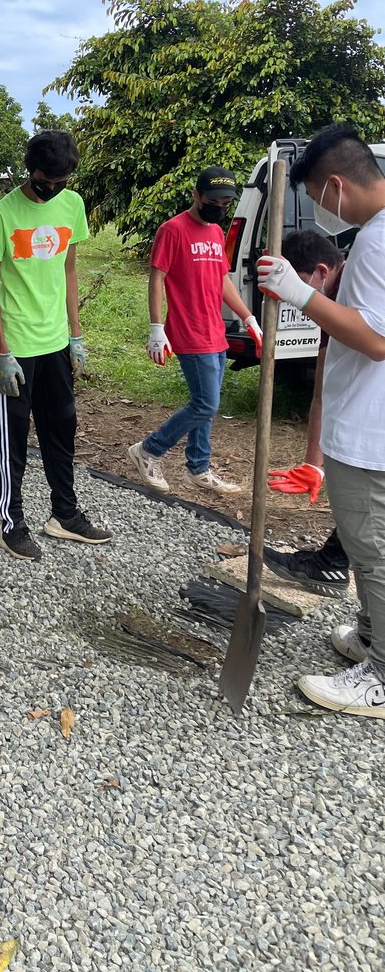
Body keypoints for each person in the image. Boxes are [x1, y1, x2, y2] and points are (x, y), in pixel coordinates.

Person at [258, 124, 385, 718]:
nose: (322, 210)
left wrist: (301, 295)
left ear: (334, 185)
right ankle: (369, 635)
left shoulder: (379, 241)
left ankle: (381, 672)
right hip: (364, 421)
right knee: (365, 548)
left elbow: (376, 339)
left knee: (372, 549)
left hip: (370, 428)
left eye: (318, 197)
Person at [0, 129, 108, 561]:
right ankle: (11, 523)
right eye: (44, 180)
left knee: (61, 431)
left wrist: (75, 334)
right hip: (16, 347)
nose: (51, 189)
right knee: (13, 440)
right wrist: (2, 351)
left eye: (60, 182)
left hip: (55, 343)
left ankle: (65, 515)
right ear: (29, 169)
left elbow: (69, 270)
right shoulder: (2, 214)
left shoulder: (71, 206)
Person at [127, 166, 263, 496]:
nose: (220, 207)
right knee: (205, 404)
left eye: (227, 202)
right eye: (214, 200)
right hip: (187, 332)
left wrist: (247, 317)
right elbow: (157, 278)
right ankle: (148, 450)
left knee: (207, 404)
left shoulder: (217, 233)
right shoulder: (173, 230)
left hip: (215, 331)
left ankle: (198, 469)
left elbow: (221, 281)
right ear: (197, 196)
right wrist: (156, 328)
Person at [263, 231, 350, 596]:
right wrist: (313, 463)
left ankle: (333, 564)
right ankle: (332, 562)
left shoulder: (355, 289)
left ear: (319, 272)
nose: (299, 305)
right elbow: (322, 392)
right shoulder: (333, 301)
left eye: (297, 289)